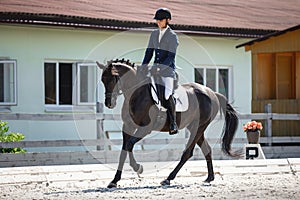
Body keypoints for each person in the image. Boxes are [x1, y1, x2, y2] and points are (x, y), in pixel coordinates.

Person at [141, 8, 179, 135]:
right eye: (157, 20)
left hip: (167, 71)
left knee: (167, 95)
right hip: (154, 70)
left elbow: (170, 57)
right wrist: (143, 66)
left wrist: (159, 68)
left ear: (167, 20)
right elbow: (149, 52)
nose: (158, 22)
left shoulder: (172, 36)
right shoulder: (154, 34)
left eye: (160, 20)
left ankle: (173, 123)